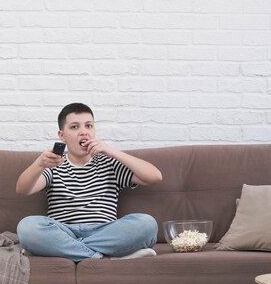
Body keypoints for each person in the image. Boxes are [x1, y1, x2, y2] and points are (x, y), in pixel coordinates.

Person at [16, 103, 163, 262]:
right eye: (74, 127)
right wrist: (39, 163)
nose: (83, 132)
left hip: (105, 232)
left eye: (89, 126)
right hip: (63, 232)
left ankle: (66, 251)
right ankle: (104, 257)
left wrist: (110, 151)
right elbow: (23, 189)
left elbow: (155, 176)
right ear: (62, 135)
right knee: (27, 227)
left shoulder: (110, 163)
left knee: (147, 224)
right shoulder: (53, 164)